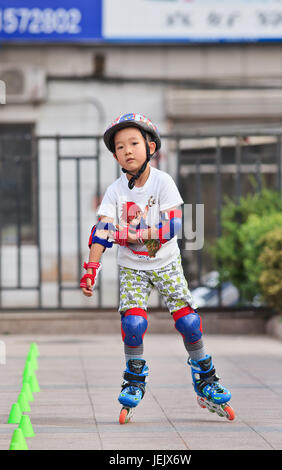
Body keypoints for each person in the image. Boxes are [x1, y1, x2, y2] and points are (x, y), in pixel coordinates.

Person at [80, 113, 234, 424]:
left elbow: (173, 225)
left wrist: (132, 234)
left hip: (165, 264)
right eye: (120, 147)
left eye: (134, 143)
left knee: (189, 322)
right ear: (115, 156)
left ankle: (205, 378)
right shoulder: (115, 192)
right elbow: (101, 231)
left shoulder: (163, 182)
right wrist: (91, 269)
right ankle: (134, 380)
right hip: (133, 268)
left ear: (151, 147)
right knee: (133, 325)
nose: (127, 150)